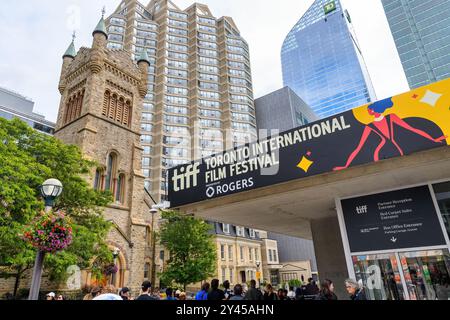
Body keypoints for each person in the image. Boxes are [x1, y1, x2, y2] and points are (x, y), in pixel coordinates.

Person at [334, 97, 447, 171]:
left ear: (374, 110)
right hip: (387, 151)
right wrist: (346, 165)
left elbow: (412, 129)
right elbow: (359, 147)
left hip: (385, 151)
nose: (368, 110)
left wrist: (434, 140)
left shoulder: (388, 118)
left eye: (369, 109)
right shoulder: (372, 124)